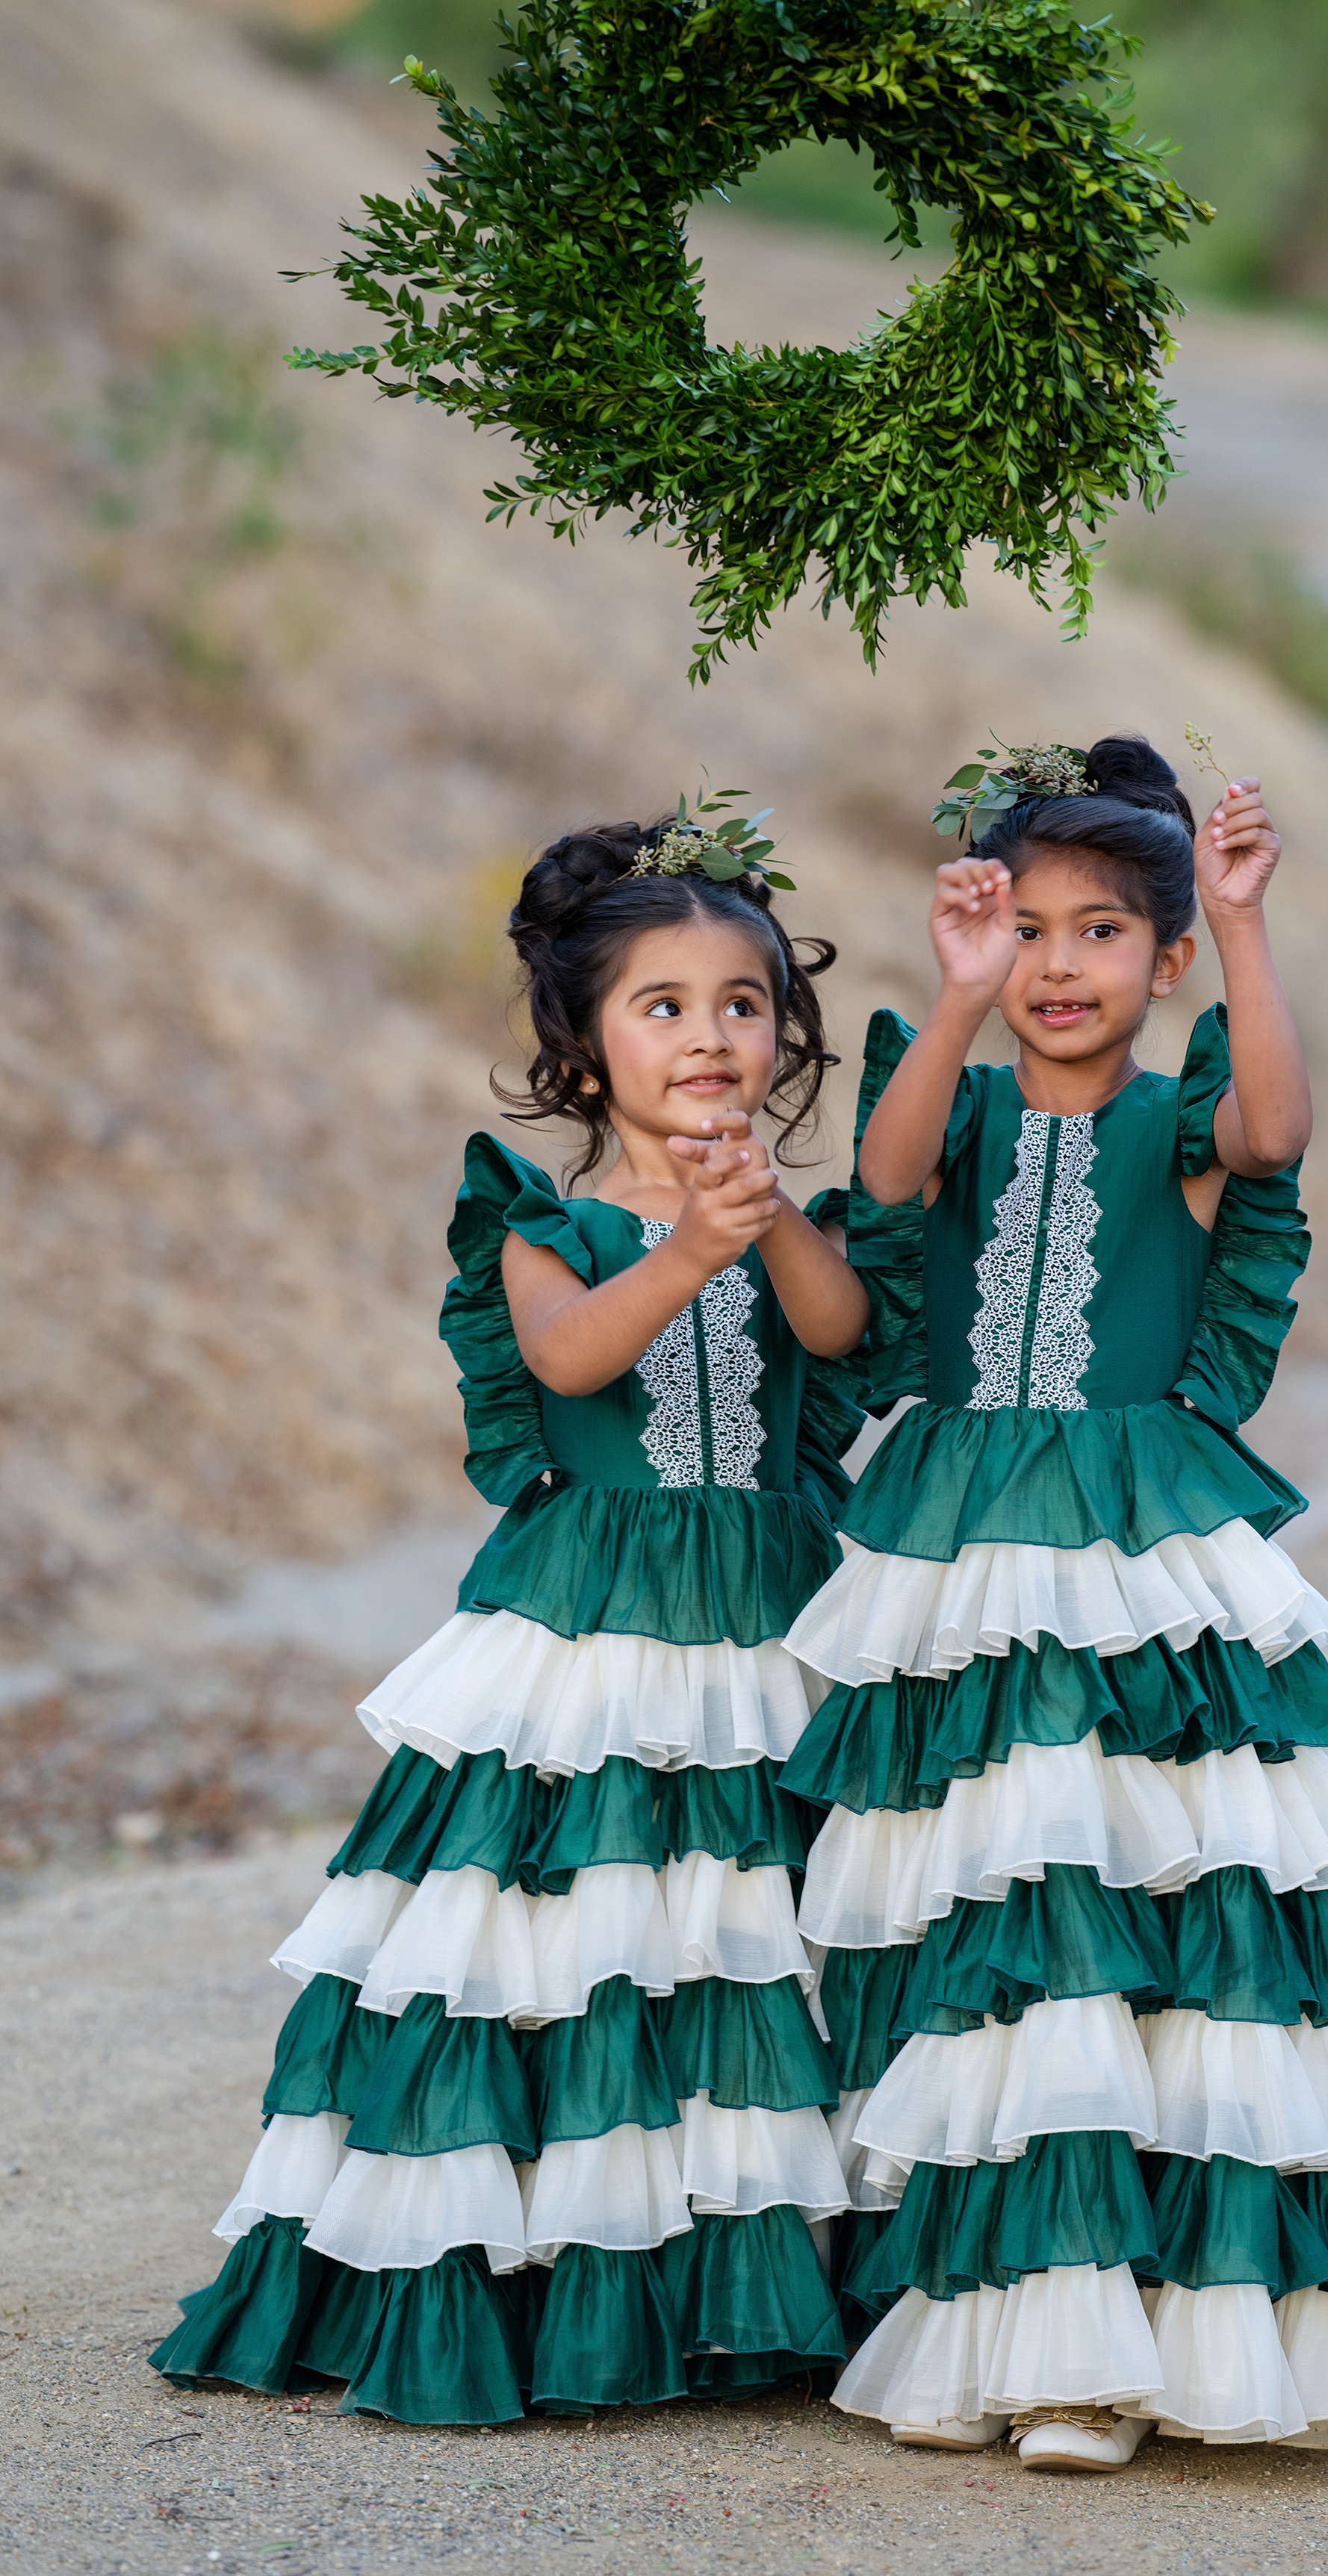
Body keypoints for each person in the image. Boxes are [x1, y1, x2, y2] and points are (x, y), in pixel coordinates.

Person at [781, 735, 1328, 2471]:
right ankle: (999, 2318)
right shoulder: (968, 1095)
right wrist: (957, 995)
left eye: (1101, 935)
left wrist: (1245, 929)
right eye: (1038, 933)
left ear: (1158, 966)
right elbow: (894, 1183)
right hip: (965, 1556)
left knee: (1145, 1919)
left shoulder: (1180, 1127)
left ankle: (1116, 2352)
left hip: (1137, 1557)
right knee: (984, 1939)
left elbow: (1278, 1132)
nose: (1063, 969)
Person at [152, 810, 871, 2424]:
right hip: (596, 1610)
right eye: (663, 1005)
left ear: (785, 1032)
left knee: (754, 1921)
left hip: (769, 1596)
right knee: (575, 1929)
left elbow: (841, 1329)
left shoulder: (775, 1204)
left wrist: (769, 1220)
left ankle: (760, 2256)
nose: (710, 1035)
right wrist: (691, 1242)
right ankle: (546, 2260)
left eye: (744, 1003)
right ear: (584, 1040)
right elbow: (568, 1364)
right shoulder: (541, 1222)